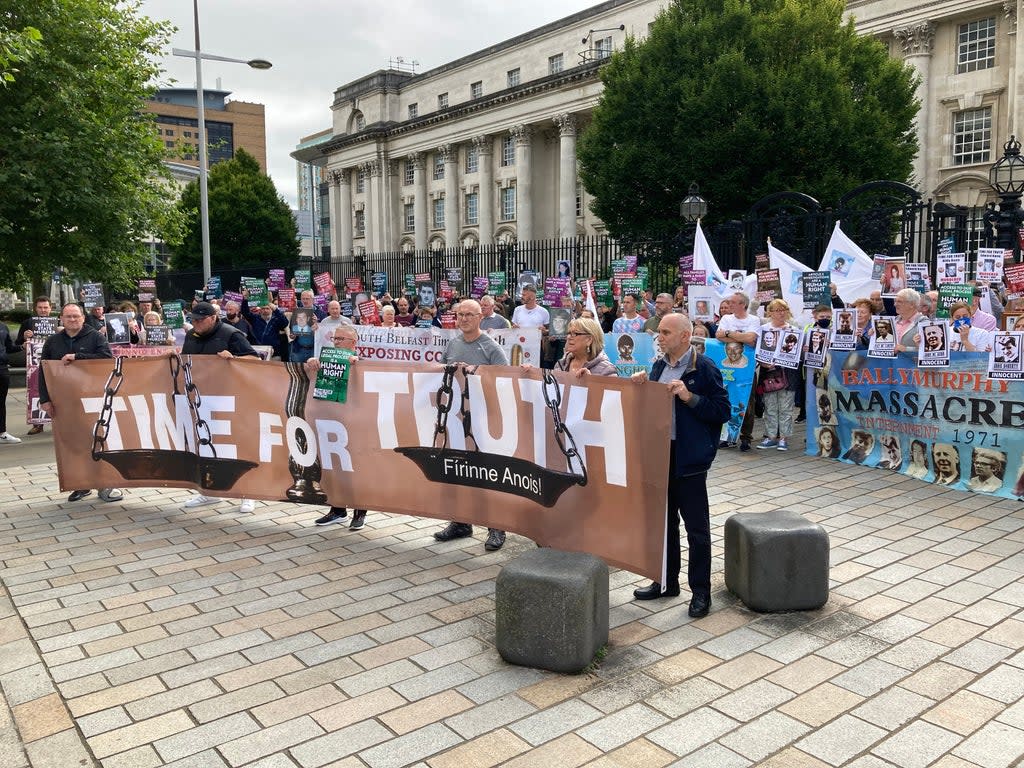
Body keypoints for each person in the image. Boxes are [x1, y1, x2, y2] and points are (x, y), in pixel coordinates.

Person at [630, 314, 729, 617]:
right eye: (659, 332)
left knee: (696, 529)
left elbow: (722, 410)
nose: (659, 337)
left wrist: (689, 397)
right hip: (662, 455)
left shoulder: (704, 367)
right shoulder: (660, 365)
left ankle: (700, 593)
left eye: (666, 332)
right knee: (663, 524)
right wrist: (642, 386)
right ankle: (665, 582)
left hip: (690, 458)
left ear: (685, 336)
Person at [433, 299, 510, 551]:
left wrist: (475, 372)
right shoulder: (453, 344)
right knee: (456, 470)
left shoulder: (490, 347)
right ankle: (461, 522)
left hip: (483, 420)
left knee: (487, 473)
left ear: (480, 317)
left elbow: (506, 380)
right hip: (456, 419)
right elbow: (439, 373)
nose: (464, 318)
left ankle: (496, 527)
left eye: (469, 314)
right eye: (460, 314)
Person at [37, 303, 122, 503]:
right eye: (68, 317)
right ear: (61, 319)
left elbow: (107, 359)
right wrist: (45, 399)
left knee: (99, 441)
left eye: (76, 316)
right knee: (73, 444)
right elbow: (43, 371)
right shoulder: (53, 342)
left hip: (94, 400)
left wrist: (78, 357)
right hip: (65, 401)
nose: (73, 320)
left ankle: (106, 485)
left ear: (83, 318)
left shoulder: (95, 337)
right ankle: (81, 485)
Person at [180, 302, 260, 513]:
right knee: (206, 445)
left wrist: (234, 359)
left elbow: (255, 358)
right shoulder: (191, 336)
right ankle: (210, 492)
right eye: (193, 320)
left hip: (230, 399)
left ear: (214, 317)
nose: (195, 323)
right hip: (202, 399)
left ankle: (248, 493)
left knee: (237, 445)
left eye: (200, 319)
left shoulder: (232, 335)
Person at [306, 326, 368, 530]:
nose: (337, 342)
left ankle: (360, 512)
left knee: (356, 469)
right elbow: (311, 375)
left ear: (353, 343)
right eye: (335, 338)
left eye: (342, 338)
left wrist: (358, 367)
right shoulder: (326, 359)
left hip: (354, 422)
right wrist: (311, 363)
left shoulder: (362, 363)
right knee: (332, 467)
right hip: (331, 420)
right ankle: (337, 509)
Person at [714, 292, 761, 451]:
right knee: (727, 400)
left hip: (747, 369)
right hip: (727, 368)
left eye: (733, 302)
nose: (729, 305)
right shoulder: (726, 319)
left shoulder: (754, 319)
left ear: (742, 304)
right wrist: (741, 337)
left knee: (747, 402)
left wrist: (730, 335)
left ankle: (746, 437)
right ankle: (727, 437)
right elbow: (719, 336)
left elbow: (752, 339)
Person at [756, 299, 799, 451]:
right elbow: (758, 351)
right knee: (770, 406)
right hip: (768, 374)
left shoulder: (794, 330)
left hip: (788, 374)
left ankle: (784, 438)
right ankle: (771, 436)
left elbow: (798, 353)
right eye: (777, 310)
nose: (781, 313)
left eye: (783, 309)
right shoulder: (763, 329)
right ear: (770, 313)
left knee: (786, 407)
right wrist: (763, 363)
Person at [19, 296, 54, 435]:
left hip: (54, 363)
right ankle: (38, 423)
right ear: (35, 308)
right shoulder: (28, 323)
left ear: (50, 308)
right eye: (40, 307)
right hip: (35, 364)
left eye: (46, 307)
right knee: (35, 392)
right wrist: (24, 338)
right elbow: (18, 345)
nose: (43, 310)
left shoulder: (57, 323)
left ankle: (58, 423)